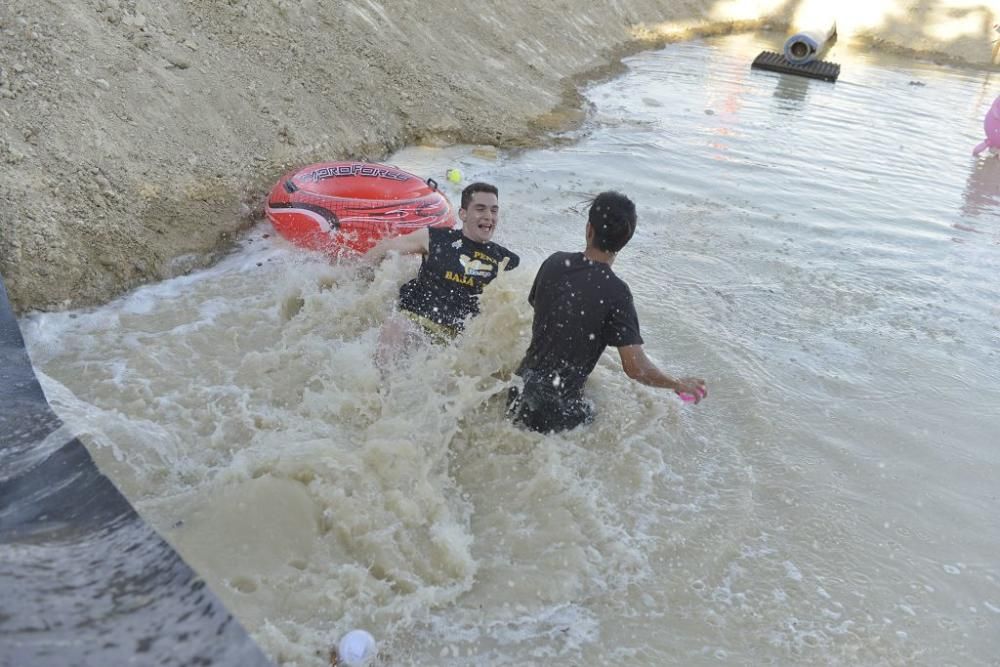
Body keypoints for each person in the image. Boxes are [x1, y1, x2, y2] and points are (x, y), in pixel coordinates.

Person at [507, 190, 706, 434]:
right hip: (557, 414)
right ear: (627, 239)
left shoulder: (554, 263)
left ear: (589, 229)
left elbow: (543, 311)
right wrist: (676, 383)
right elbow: (636, 369)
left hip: (518, 390)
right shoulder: (616, 292)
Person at [365, 181, 519, 366]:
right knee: (394, 326)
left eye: (494, 211)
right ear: (463, 214)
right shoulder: (435, 238)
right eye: (480, 209)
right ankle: (378, 392)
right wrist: (358, 276)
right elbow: (386, 247)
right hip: (416, 322)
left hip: (459, 340)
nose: (488, 216)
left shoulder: (506, 260)